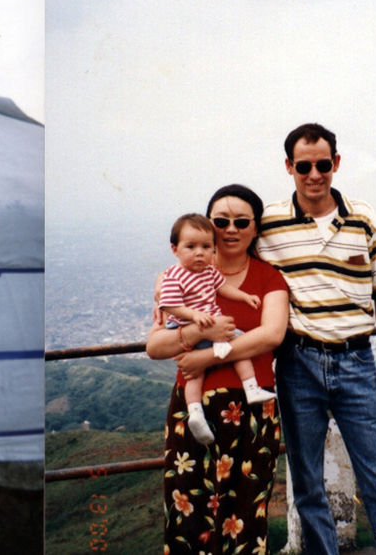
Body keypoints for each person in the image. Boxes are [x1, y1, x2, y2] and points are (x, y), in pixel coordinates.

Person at [255, 123, 376, 554]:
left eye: (323, 164)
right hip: (297, 362)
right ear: (289, 167)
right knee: (307, 485)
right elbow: (228, 252)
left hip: (356, 361)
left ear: (336, 163)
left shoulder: (362, 218)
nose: (314, 175)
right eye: (304, 165)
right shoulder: (269, 223)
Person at [147, 185, 289, 555]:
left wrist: (204, 357)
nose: (230, 229)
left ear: (255, 228)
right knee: (188, 514)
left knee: (245, 512)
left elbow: (271, 335)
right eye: (220, 221)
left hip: (252, 410)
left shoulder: (268, 278)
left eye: (241, 221)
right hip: (192, 411)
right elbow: (156, 346)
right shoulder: (173, 279)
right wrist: (201, 331)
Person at [159, 212, 275, 445]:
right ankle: (196, 412)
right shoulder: (174, 276)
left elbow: (223, 289)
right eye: (190, 246)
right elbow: (169, 304)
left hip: (212, 326)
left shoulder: (209, 272)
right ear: (175, 249)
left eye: (206, 246)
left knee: (234, 350)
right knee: (201, 370)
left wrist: (244, 297)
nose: (199, 252)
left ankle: (245, 391)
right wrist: (194, 316)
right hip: (192, 327)